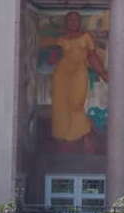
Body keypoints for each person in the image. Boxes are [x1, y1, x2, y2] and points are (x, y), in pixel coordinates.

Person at [45, 11, 108, 143]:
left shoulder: (86, 37)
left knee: (76, 103)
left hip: (79, 72)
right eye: (70, 20)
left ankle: (83, 132)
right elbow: (54, 57)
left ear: (79, 22)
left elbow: (92, 56)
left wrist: (102, 72)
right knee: (60, 104)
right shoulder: (61, 39)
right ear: (66, 22)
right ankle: (62, 135)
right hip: (61, 74)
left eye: (75, 20)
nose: (73, 22)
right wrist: (52, 56)